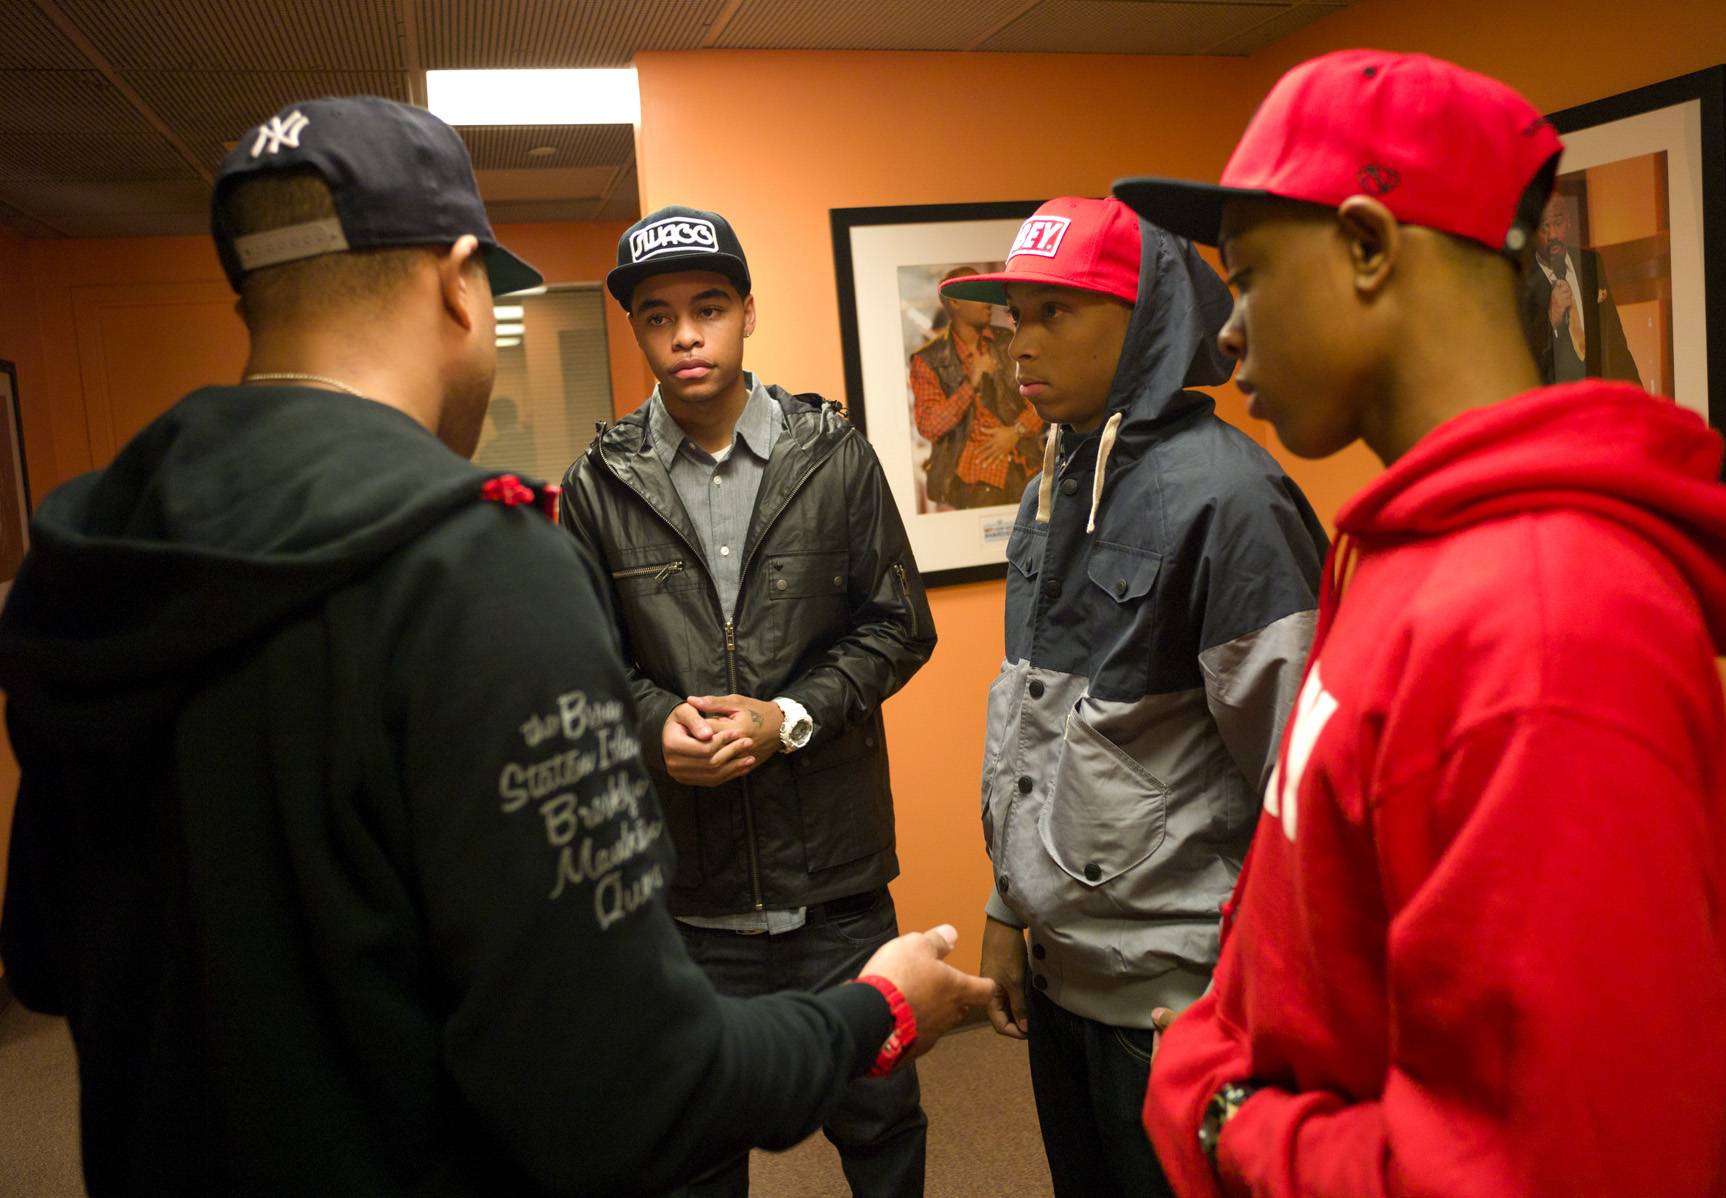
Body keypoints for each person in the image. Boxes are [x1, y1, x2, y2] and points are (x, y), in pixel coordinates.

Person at [0, 98, 991, 1197]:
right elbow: (624, 1077)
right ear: (457, 281)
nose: (687, 334)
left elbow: (45, 960)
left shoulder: (81, 558)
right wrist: (879, 1006)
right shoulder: (484, 561)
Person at [1115, 48, 1726, 1198]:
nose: (1226, 338)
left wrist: (1232, 1125)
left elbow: (1555, 1172)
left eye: (1247, 277)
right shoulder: (1400, 548)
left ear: (1370, 248)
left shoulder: (1550, 623)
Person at [938, 196, 1327, 1197]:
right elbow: (1037, 723)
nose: (1020, 342)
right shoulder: (1053, 483)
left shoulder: (1231, 499)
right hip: (1067, 981)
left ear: (1148, 322)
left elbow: (1303, 785)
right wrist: (1006, 908)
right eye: (1014, 315)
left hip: (1179, 1000)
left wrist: (1275, 1017)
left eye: (1054, 313)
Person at [559, 205, 939, 1198]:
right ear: (638, 331)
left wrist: (790, 718)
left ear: (747, 314)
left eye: (709, 306)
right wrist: (653, 727)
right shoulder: (596, 485)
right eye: (658, 315)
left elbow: (901, 625)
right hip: (688, 898)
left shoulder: (834, 456)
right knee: (692, 1147)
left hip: (838, 893)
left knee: (883, 1124)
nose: (686, 333)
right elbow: (581, 665)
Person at [910, 266, 1044, 509]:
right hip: (967, 482)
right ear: (954, 302)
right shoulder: (928, 359)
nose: (987, 302)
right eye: (976, 293)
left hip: (1026, 467)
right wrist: (970, 384)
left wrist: (1015, 431)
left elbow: (1042, 398)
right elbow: (929, 426)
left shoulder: (1008, 342)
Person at [1520, 190, 1643, 385]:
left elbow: (1615, 339)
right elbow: (1521, 357)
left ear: (1568, 222)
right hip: (1555, 402)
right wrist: (1551, 317)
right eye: (1544, 227)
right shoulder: (1522, 279)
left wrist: (1636, 399)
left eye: (1558, 223)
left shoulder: (1590, 262)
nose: (1552, 235)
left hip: (1597, 396)